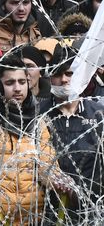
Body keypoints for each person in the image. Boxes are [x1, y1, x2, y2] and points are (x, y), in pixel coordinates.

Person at [0, 55, 73, 224]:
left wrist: (57, 180)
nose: (17, 88)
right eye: (10, 83)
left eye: (22, 82)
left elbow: (47, 164)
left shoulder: (37, 122)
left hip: (32, 217)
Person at [40, 46, 104, 222]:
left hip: (91, 210)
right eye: (58, 74)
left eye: (70, 74)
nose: (64, 80)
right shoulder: (39, 114)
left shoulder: (98, 114)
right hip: (48, 210)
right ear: (50, 77)